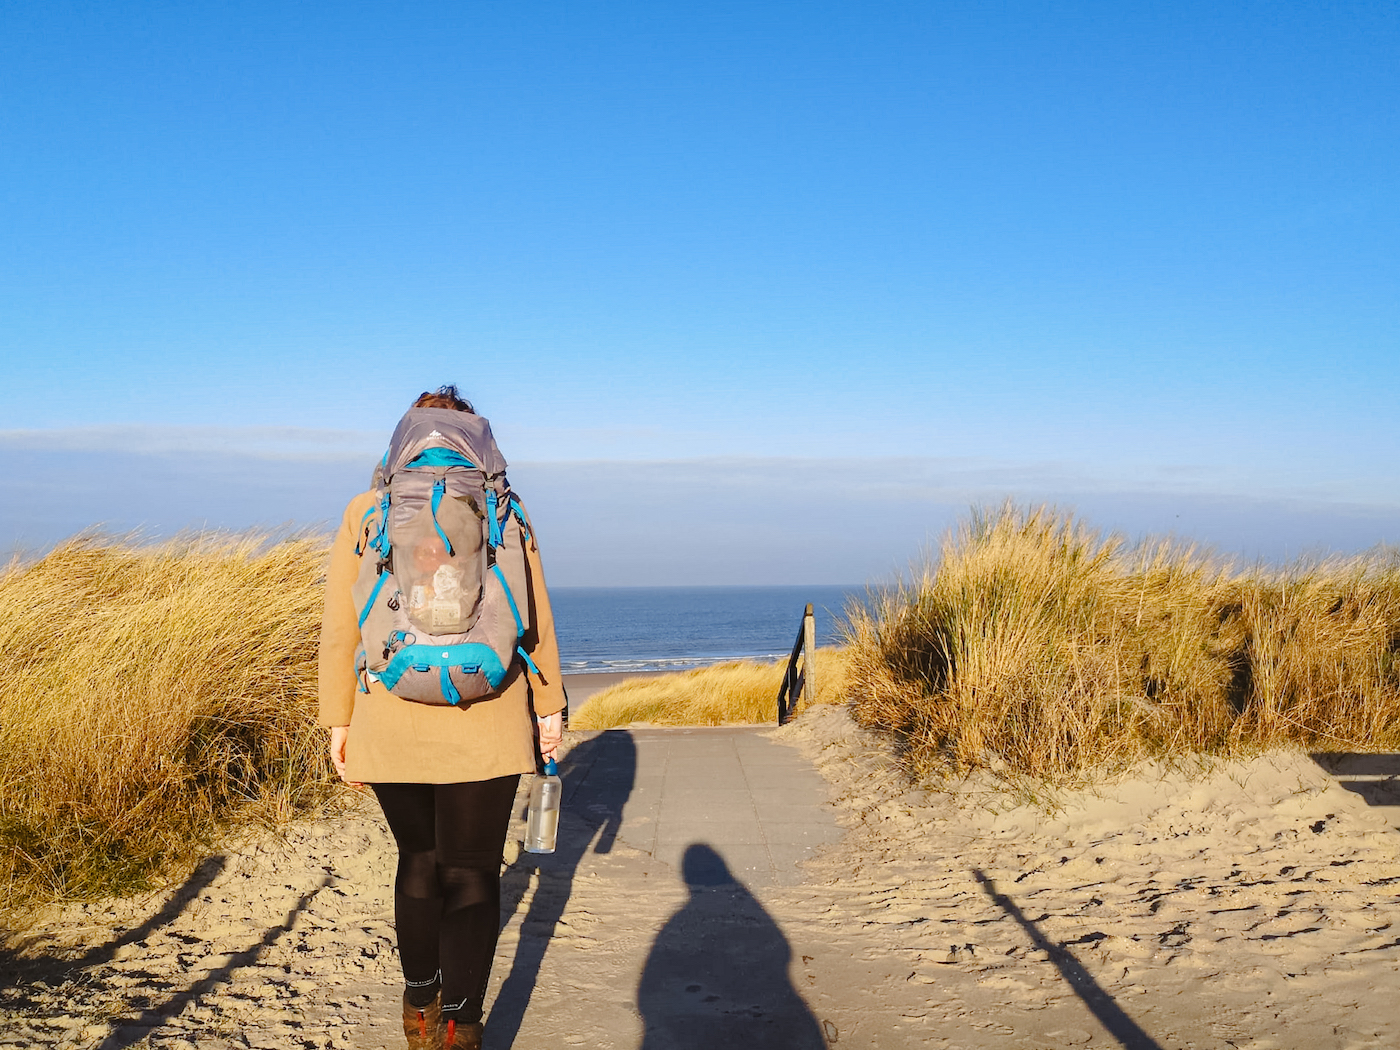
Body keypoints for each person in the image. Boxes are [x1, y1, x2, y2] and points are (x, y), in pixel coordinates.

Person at [318, 386, 565, 1050]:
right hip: (487, 713)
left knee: (419, 860)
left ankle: (419, 1007)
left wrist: (336, 720)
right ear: (474, 438)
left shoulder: (368, 510)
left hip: (389, 708)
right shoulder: (503, 508)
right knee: (474, 870)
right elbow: (533, 612)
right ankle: (462, 1023)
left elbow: (341, 624)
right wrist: (549, 708)